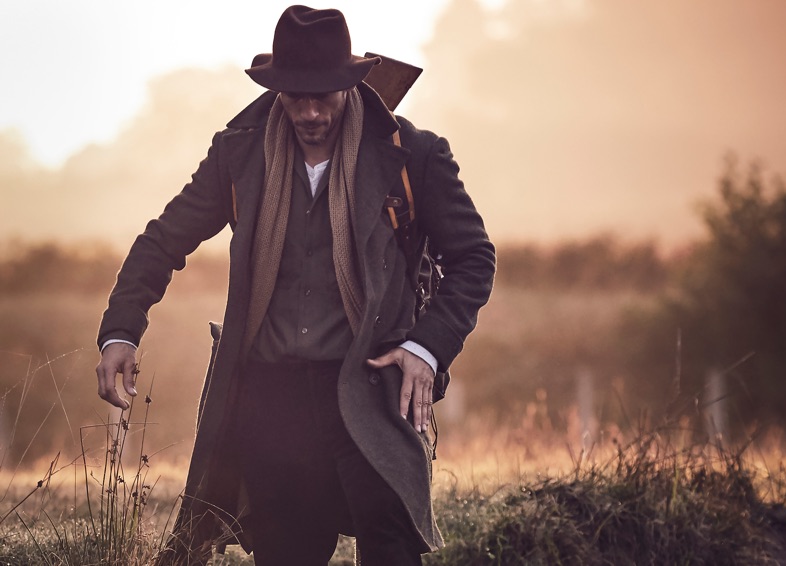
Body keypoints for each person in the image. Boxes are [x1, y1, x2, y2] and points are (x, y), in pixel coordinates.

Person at [95, 5, 495, 565]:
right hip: (271, 403)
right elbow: (162, 241)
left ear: (350, 85)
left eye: (323, 96)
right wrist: (121, 332)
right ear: (275, 88)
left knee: (391, 550)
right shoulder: (238, 154)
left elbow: (474, 259)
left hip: (372, 393)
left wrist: (425, 349)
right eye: (294, 95)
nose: (309, 111)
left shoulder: (415, 155)